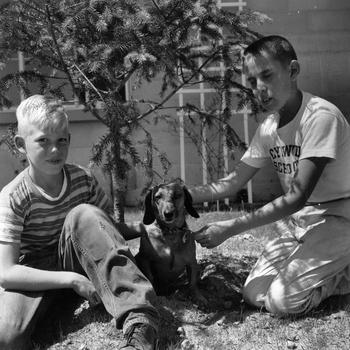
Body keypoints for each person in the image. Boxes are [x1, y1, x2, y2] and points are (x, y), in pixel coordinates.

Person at [190, 35, 350, 316]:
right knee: (254, 294)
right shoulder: (269, 127)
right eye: (252, 82)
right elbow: (234, 182)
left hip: (340, 215)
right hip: (299, 222)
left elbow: (297, 197)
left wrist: (229, 228)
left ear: (293, 71)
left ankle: (343, 272)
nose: (260, 89)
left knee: (282, 303)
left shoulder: (321, 117)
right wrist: (184, 193)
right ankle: (326, 265)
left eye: (267, 75)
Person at [0, 95, 159, 350]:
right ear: (21, 144)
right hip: (36, 270)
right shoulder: (13, 197)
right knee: (6, 338)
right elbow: (6, 273)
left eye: (61, 140)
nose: (55, 150)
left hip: (76, 257)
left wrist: (143, 228)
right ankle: (53, 313)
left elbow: (105, 231)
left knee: (85, 213)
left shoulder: (82, 179)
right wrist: (70, 280)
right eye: (43, 141)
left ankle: (140, 319)